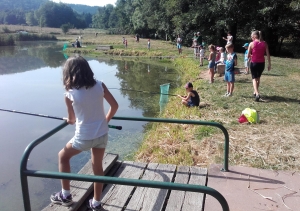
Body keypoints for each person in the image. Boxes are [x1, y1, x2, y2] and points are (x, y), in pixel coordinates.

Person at [50, 56, 119, 210]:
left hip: (84, 137)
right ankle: (96, 203)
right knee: (97, 168)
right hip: (102, 134)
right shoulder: (100, 85)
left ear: (69, 73)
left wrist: (68, 120)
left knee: (63, 156)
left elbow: (72, 119)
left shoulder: (70, 93)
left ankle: (65, 195)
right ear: (87, 69)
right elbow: (114, 106)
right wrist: (105, 121)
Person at [248, 30, 271, 102]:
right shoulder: (264, 43)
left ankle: (257, 93)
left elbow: (248, 55)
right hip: (262, 63)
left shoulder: (251, 44)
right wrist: (269, 64)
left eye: (252, 36)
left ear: (255, 36)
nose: (251, 38)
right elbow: (268, 54)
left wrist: (251, 56)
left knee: (254, 79)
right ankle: (255, 92)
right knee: (258, 78)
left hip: (254, 63)